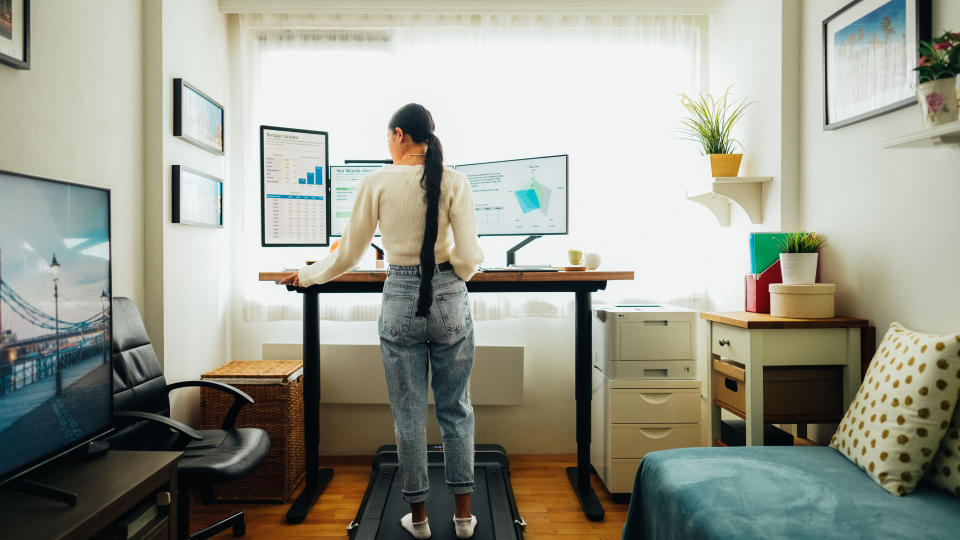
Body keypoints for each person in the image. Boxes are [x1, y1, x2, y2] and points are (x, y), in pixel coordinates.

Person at [280, 103, 483, 539]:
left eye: (388, 138)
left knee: (408, 415)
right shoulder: (456, 181)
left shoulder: (376, 181)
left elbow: (350, 255)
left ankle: (421, 520)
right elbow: (468, 258)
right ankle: (464, 519)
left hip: (400, 299)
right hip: (447, 296)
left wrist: (308, 276)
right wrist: (454, 279)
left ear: (399, 135)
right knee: (456, 409)